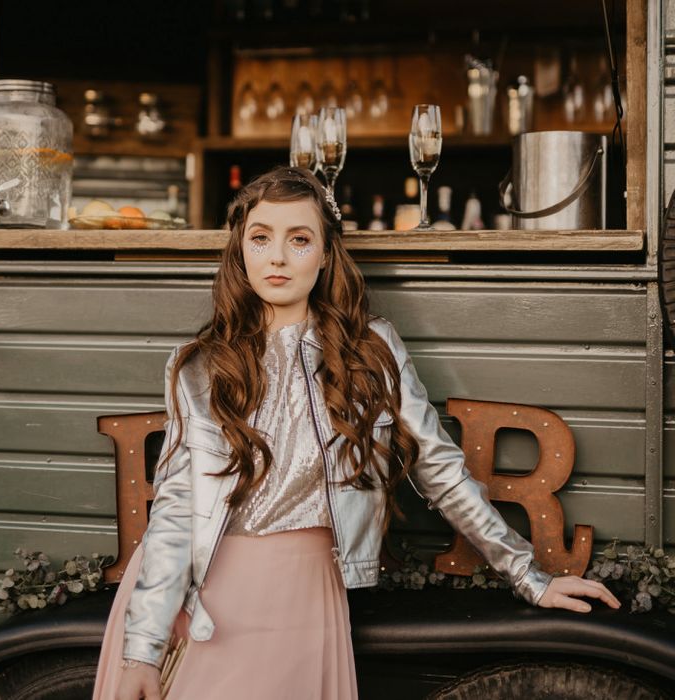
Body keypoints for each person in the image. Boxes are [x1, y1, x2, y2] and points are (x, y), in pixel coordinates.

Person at [93, 165, 620, 700]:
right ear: (240, 252)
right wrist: (142, 647)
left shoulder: (372, 350)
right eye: (260, 238)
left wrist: (530, 576)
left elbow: (440, 470)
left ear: (325, 254)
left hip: (304, 594)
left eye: (299, 239)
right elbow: (176, 510)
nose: (277, 256)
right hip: (205, 594)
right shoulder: (201, 367)